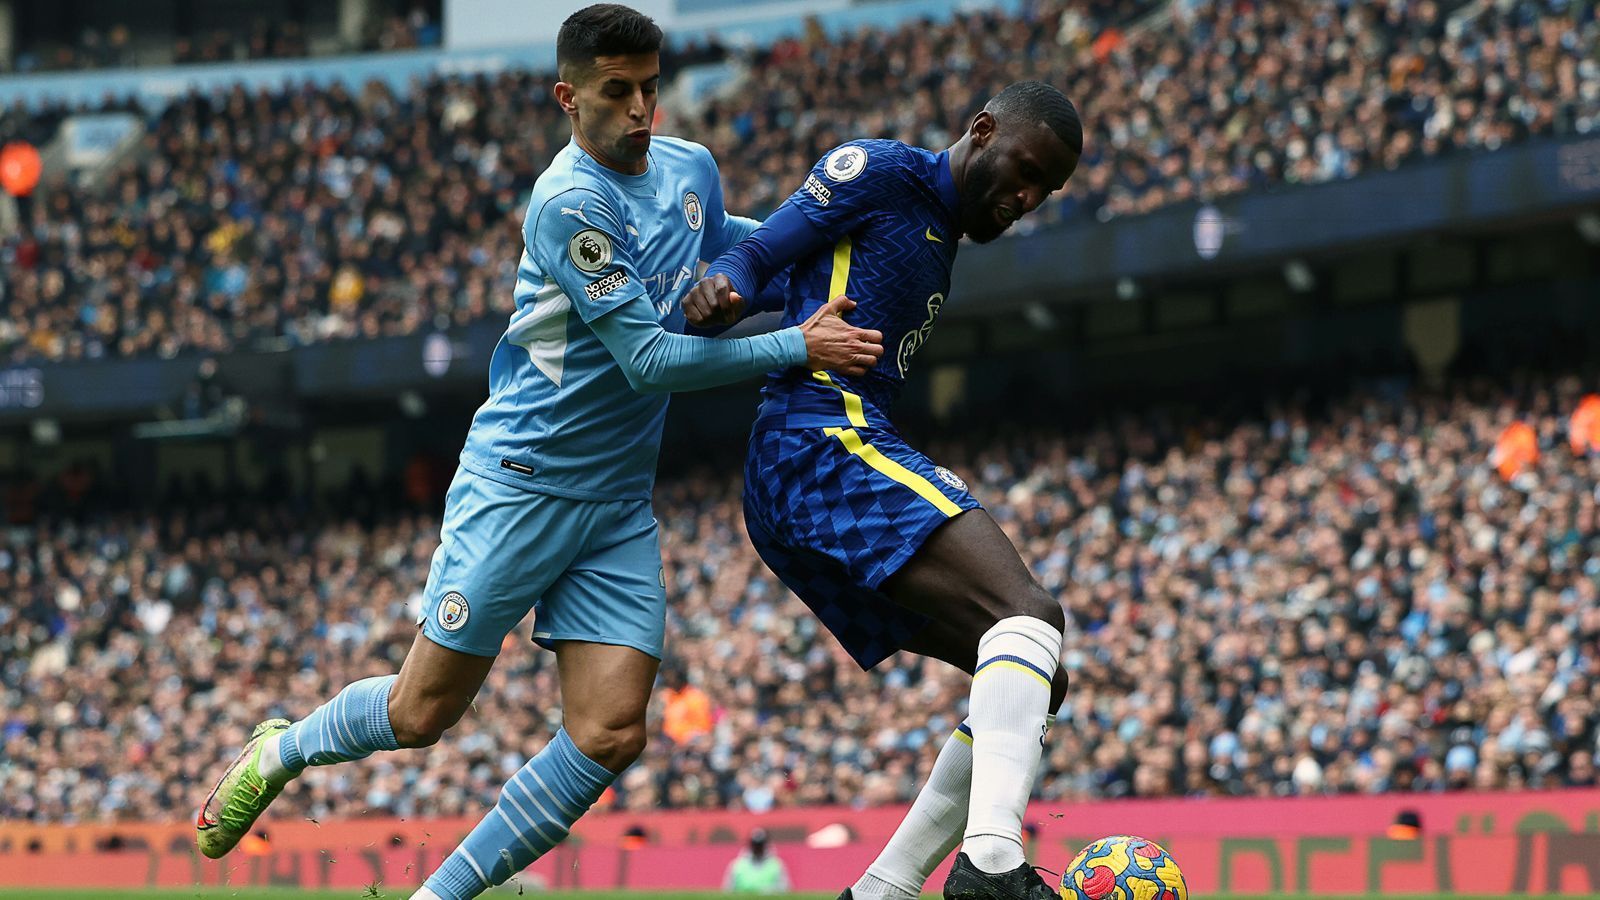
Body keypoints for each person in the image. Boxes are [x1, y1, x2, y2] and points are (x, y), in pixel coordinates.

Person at [193, 6, 882, 899]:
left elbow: (737, 252)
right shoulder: (569, 203)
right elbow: (649, 362)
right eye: (616, 92)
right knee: (420, 714)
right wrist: (799, 345)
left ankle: (437, 896)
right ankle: (279, 749)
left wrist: (844, 250)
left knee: (610, 732)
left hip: (616, 503)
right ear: (569, 97)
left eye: (649, 89)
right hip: (521, 483)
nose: (640, 109)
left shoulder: (690, 170)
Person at [689, 81, 1082, 900]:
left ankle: (883, 891)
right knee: (1030, 617)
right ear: (982, 129)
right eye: (1024, 172)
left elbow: (785, 279)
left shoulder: (937, 234)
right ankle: (993, 863)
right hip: (817, 441)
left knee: (1029, 670)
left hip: (814, 465)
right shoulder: (878, 171)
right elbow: (762, 256)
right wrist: (719, 282)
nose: (1026, 198)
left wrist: (742, 291)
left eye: (1044, 191)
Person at [722, 828, 791, 893]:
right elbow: (727, 890)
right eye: (755, 845)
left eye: (760, 845)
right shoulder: (737, 865)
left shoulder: (776, 865)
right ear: (751, 845)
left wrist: (770, 890)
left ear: (765, 845)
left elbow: (785, 889)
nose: (758, 848)